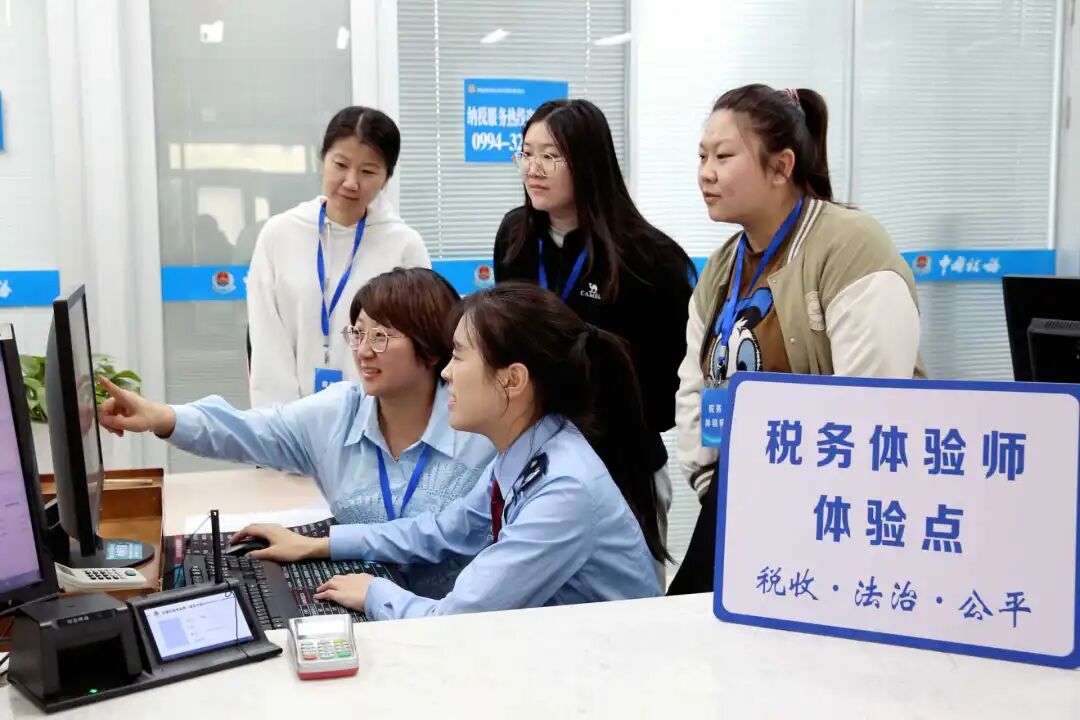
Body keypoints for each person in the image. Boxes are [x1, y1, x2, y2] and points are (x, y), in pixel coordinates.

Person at [230, 283, 663, 619]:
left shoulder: (563, 490)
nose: (447, 373)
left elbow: (457, 618)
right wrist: (319, 545)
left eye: (458, 356)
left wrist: (374, 592)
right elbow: (443, 530)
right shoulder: (526, 452)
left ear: (512, 380)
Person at [669, 84, 924, 594]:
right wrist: (710, 480)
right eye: (702, 156)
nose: (706, 173)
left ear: (781, 167)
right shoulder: (723, 266)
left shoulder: (849, 247)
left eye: (723, 156)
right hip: (739, 499)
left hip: (836, 514)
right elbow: (694, 385)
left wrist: (807, 504)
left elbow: (874, 405)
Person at [99, 268, 494, 595]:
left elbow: (458, 535)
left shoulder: (481, 428)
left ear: (431, 347)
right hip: (361, 602)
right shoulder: (337, 414)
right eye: (358, 333)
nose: (362, 351)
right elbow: (246, 430)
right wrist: (161, 417)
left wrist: (319, 546)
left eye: (381, 336)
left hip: (459, 620)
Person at [493, 99, 695, 574]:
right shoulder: (516, 237)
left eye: (551, 155)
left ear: (587, 161)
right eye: (526, 153)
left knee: (626, 600)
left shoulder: (649, 258)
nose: (533, 168)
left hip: (621, 464)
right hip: (533, 457)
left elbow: (673, 382)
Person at [247, 106, 431, 408]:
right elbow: (265, 337)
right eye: (341, 164)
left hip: (377, 419)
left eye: (368, 171)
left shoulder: (404, 246)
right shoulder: (279, 235)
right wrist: (282, 422)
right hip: (289, 419)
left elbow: (417, 348)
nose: (351, 182)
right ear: (323, 160)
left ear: (386, 178)